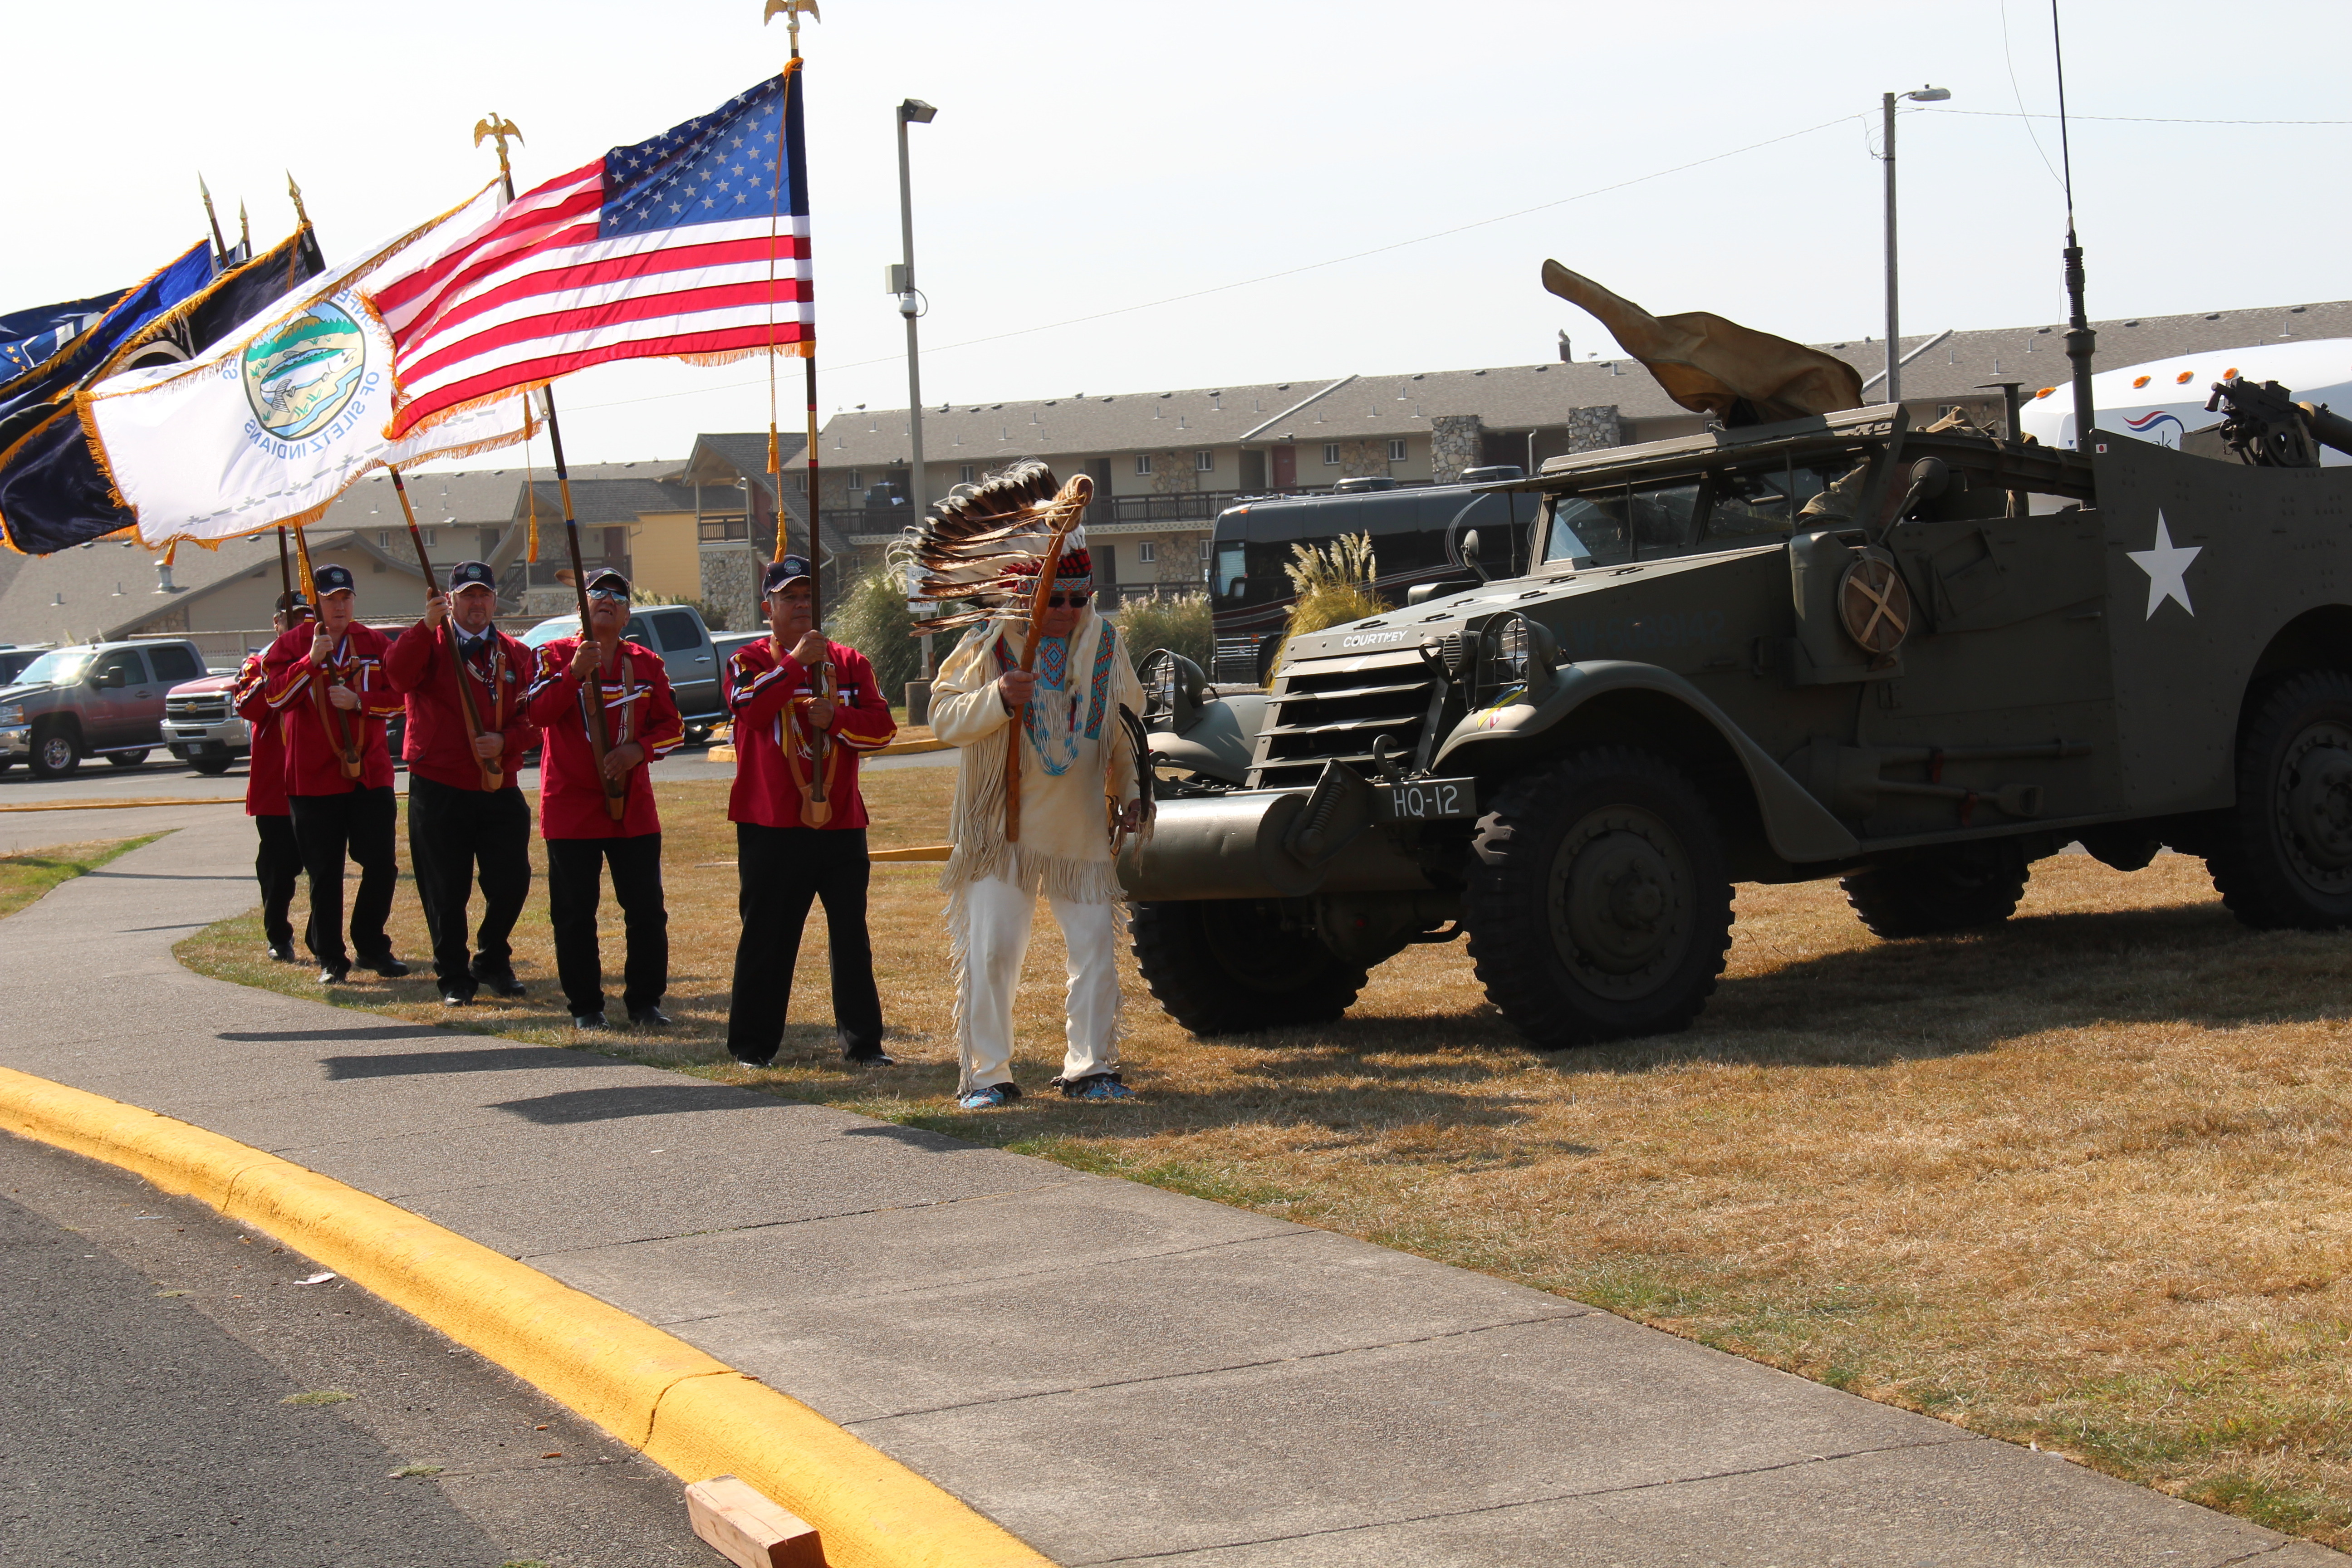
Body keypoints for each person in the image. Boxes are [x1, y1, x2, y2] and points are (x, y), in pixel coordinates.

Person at [930, 504, 1148, 1107]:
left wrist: (1130, 795)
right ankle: (988, 1074)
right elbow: (944, 715)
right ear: (1028, 593)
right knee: (994, 949)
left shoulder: (1105, 644)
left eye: (1081, 598)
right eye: (1059, 598)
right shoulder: (990, 643)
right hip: (1003, 827)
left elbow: (1127, 731)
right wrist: (997, 697)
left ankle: (1092, 1067)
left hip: (1078, 828)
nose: (1071, 612)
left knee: (1096, 948)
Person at [722, 555, 898, 1068]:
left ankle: (864, 1045)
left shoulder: (849, 662)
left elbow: (882, 728)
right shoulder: (749, 660)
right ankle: (753, 1047)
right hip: (770, 823)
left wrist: (837, 716)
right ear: (768, 608)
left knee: (851, 938)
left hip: (841, 821)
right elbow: (751, 710)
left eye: (807, 597)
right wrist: (796, 663)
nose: (801, 605)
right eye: (789, 598)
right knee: (767, 937)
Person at [524, 569, 682, 1030]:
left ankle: (645, 1002)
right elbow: (536, 713)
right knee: (575, 912)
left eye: (617, 595)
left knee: (646, 909)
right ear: (581, 607)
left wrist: (639, 750)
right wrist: (574, 674)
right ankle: (586, 1007)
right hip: (572, 806)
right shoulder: (553, 657)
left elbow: (673, 728)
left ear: (629, 613)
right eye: (596, 594)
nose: (607, 601)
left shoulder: (647, 664)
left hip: (632, 809)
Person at [386, 560, 540, 1008]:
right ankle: (454, 975)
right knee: (445, 888)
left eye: (484, 595)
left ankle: (492, 957)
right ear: (450, 600)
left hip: (497, 783)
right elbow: (397, 677)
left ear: (495, 600)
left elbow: (536, 716)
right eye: (467, 595)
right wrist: (423, 627)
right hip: (439, 783)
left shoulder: (515, 653)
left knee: (512, 880)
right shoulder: (429, 645)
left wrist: (506, 740)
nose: (477, 603)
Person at [260, 563, 409, 985]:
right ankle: (331, 958)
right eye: (331, 599)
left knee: (381, 864)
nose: (340, 607)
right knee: (325, 871)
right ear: (316, 604)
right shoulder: (291, 645)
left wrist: (359, 701)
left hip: (370, 772)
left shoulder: (375, 643)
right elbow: (274, 699)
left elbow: (400, 700)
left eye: (346, 598)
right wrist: (310, 662)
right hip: (313, 779)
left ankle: (371, 945)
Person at [231, 592, 312, 965]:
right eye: (290, 618)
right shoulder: (257, 664)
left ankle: (322, 938)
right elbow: (249, 706)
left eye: (306, 617)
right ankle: (278, 935)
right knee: (279, 869)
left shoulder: (327, 657)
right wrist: (279, 669)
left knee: (322, 866)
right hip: (276, 786)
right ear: (277, 624)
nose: (298, 624)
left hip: (318, 780)